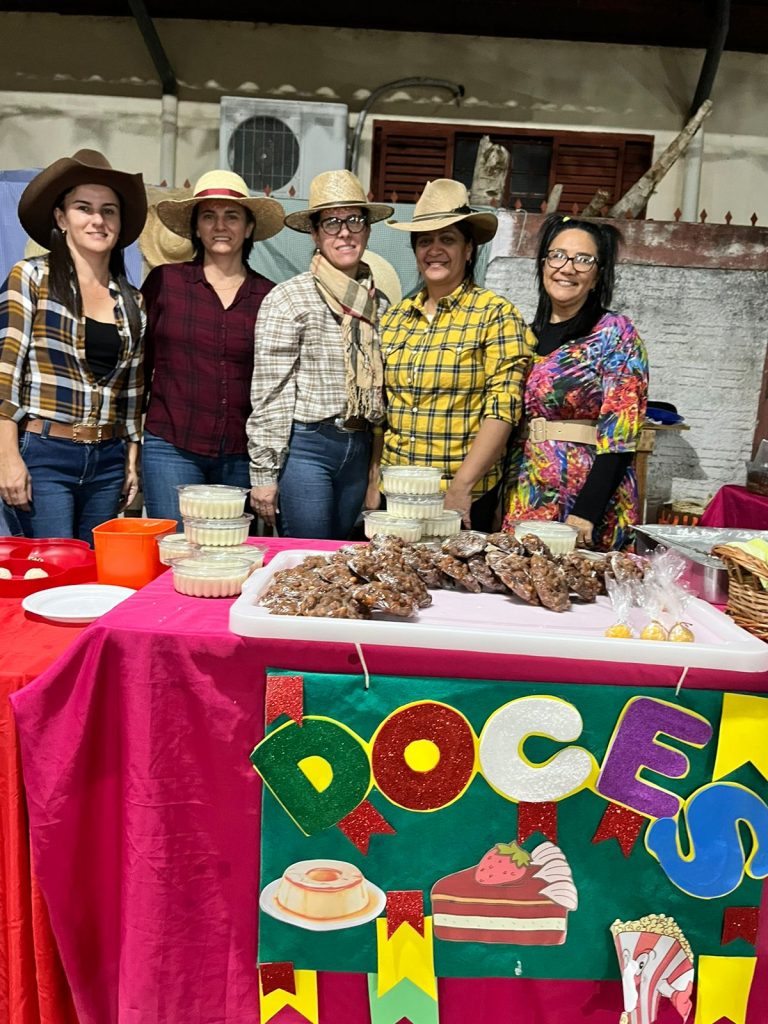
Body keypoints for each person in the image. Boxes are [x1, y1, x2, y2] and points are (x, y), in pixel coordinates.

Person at [0, 149, 147, 543]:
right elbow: (5, 374)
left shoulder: (132, 299)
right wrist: (7, 457)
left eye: (109, 210)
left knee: (93, 578)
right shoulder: (30, 278)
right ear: (61, 218)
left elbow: (132, 390)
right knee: (47, 572)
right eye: (84, 208)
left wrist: (132, 459)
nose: (97, 220)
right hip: (44, 453)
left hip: (108, 459)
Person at [377, 178, 536, 531]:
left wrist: (461, 487)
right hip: (398, 494)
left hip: (462, 497)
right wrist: (375, 482)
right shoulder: (396, 318)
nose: (435, 250)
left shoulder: (495, 314)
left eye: (447, 239)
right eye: (425, 241)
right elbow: (382, 410)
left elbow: (504, 408)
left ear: (468, 249)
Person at [247, 170, 393, 539]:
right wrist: (264, 475)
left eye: (353, 220)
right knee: (308, 554)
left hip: (359, 448)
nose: (344, 232)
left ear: (367, 229)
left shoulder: (381, 303)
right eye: (331, 223)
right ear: (314, 233)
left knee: (344, 556)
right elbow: (271, 393)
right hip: (309, 448)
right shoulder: (289, 298)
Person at [141, 171, 284, 525]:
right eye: (209, 216)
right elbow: (138, 367)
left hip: (239, 454)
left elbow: (276, 385)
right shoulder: (166, 283)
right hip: (170, 446)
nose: (220, 226)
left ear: (249, 228)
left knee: (229, 557)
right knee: (173, 552)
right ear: (197, 227)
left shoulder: (269, 296)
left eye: (231, 216)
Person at [503, 213, 649, 550]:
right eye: (557, 256)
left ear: (598, 275)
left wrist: (586, 512)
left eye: (583, 260)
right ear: (542, 265)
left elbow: (621, 435)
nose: (567, 268)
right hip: (528, 494)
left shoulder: (615, 334)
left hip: (589, 506)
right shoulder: (525, 336)